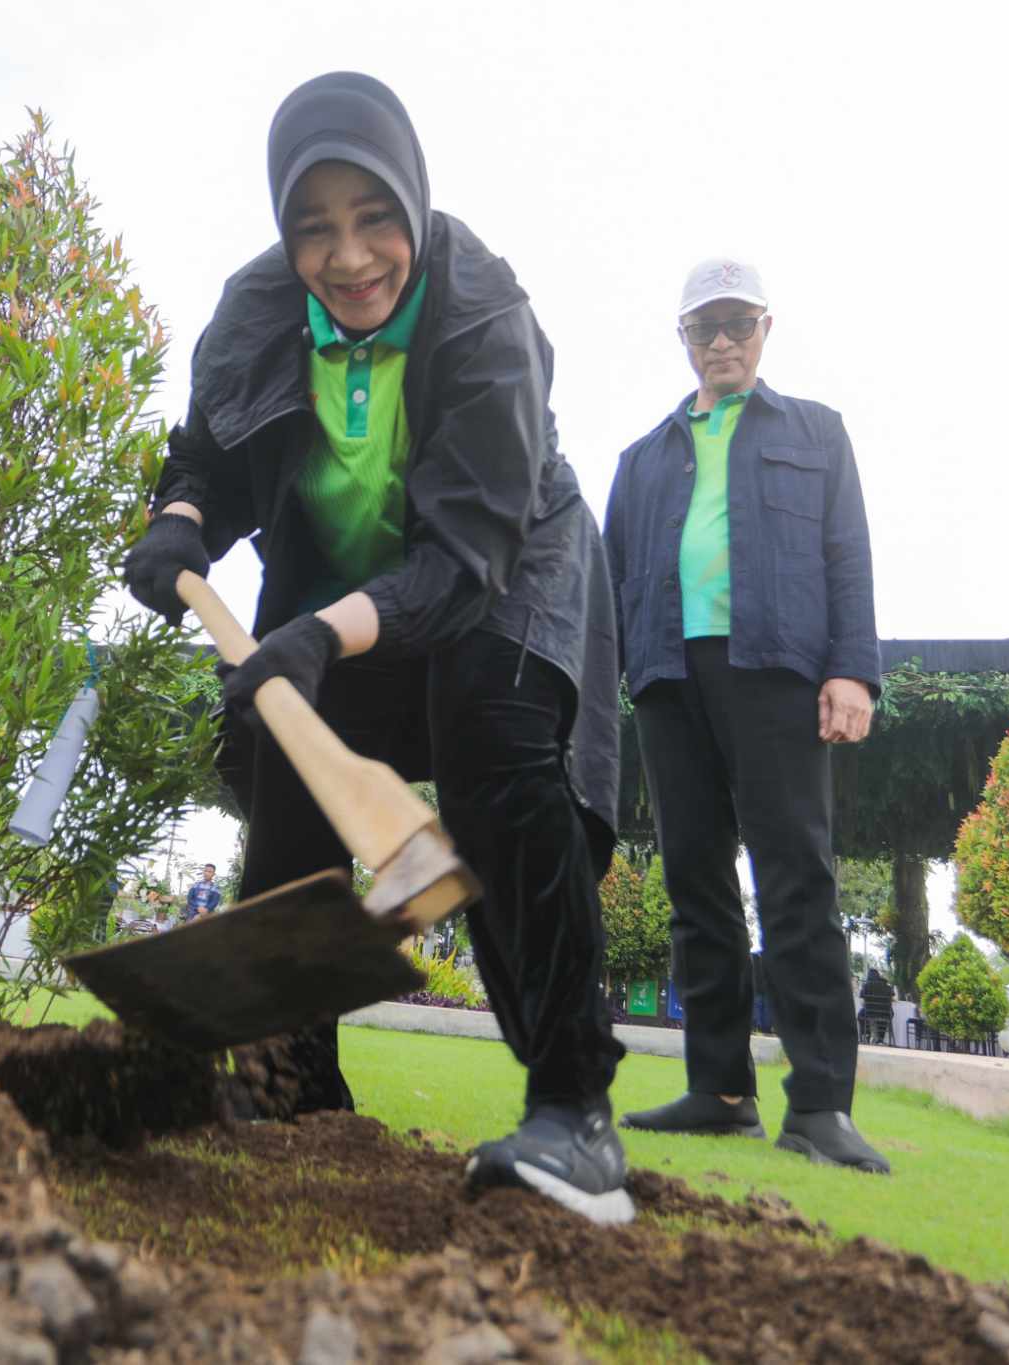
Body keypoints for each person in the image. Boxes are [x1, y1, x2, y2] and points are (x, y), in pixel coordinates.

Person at [122, 72, 633, 1223]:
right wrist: (181, 521)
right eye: (313, 228)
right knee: (285, 753)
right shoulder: (255, 310)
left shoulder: (485, 316)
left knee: (492, 742)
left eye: (372, 219)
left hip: (502, 569)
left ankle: (574, 1115)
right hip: (338, 582)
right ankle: (289, 1078)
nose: (348, 258)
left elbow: (462, 559)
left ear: (413, 201)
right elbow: (207, 452)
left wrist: (316, 634)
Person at [602, 258, 889, 1174]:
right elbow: (611, 579)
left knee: (796, 874)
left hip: (775, 669)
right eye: (704, 327)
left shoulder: (816, 431)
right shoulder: (641, 459)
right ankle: (720, 1091)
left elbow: (847, 555)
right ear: (682, 338)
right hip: (666, 675)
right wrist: (603, 685)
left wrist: (853, 670)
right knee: (694, 879)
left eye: (737, 323)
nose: (721, 341)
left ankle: (820, 1104)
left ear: (767, 327)